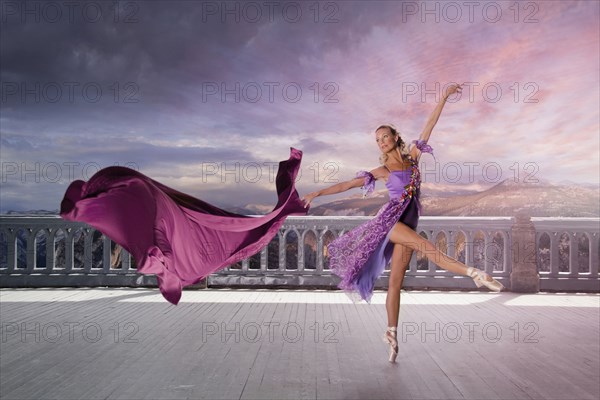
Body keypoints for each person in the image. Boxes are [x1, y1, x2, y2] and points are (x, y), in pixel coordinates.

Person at [301, 83, 504, 363]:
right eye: (377, 140)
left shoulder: (413, 159)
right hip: (391, 222)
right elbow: (348, 184)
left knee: (396, 283)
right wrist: (317, 193)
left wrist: (443, 96)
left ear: (396, 137)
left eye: (385, 136)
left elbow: (429, 127)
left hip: (408, 224)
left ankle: (391, 333)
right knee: (429, 249)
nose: (382, 141)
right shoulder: (383, 170)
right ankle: (476, 274)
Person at [60, 147, 309, 305]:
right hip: (159, 212)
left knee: (163, 229)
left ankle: (160, 262)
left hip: (164, 216)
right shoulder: (143, 194)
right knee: (160, 226)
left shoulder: (149, 199)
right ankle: (160, 262)